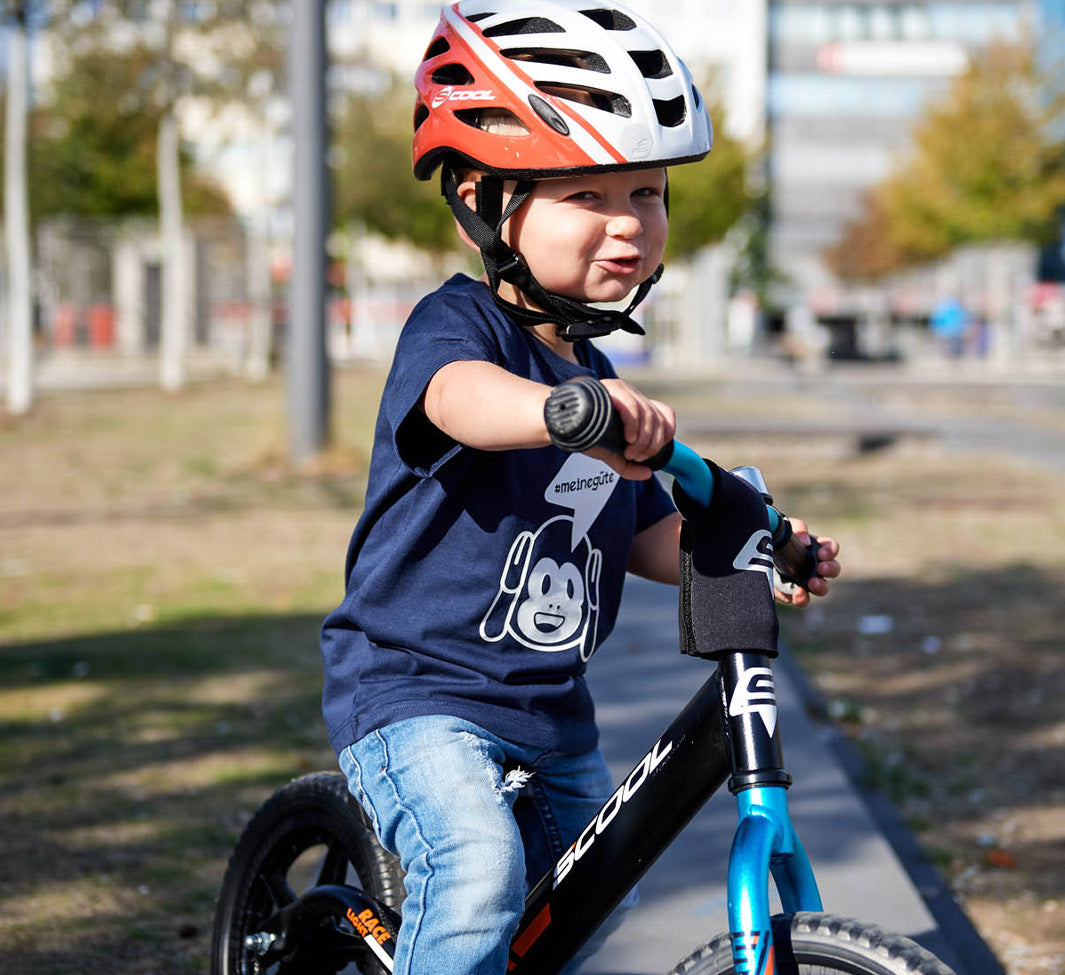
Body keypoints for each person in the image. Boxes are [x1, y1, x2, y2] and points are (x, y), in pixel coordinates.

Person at [318, 4, 842, 973]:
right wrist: (567, 411)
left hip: (552, 714)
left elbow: (642, 535)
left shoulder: (594, 372)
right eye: (586, 195)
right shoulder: (460, 328)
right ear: (483, 198)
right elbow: (461, 401)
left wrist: (757, 546)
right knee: (476, 873)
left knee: (586, 898)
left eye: (646, 192)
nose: (628, 222)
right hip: (417, 695)